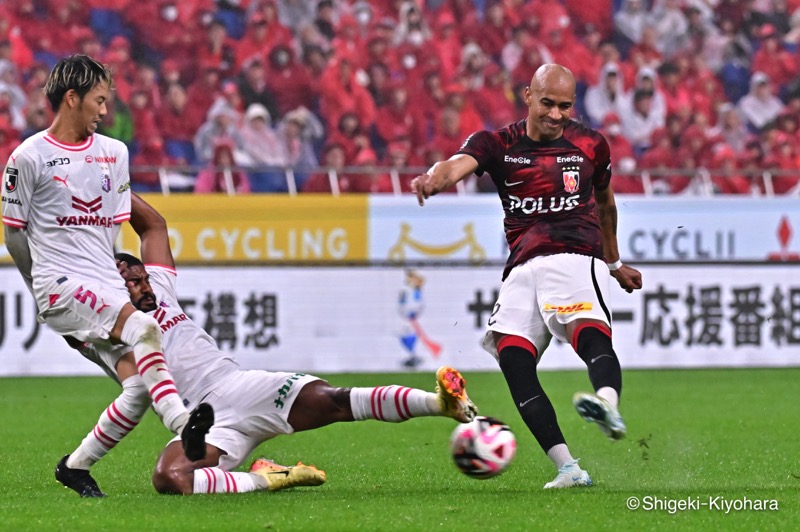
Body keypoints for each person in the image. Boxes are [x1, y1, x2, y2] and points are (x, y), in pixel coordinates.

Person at [59, 193, 478, 496]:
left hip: (238, 385)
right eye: (130, 282)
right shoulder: (104, 330)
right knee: (170, 478)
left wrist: (111, 184)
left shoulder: (162, 289)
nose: (142, 285)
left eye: (142, 276)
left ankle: (439, 403)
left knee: (333, 400)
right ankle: (269, 478)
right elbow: (62, 315)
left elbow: (154, 225)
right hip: (202, 423)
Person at [410, 64, 643, 490]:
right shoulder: (498, 143)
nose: (557, 114)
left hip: (575, 255)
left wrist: (612, 264)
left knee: (584, 330)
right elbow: (455, 165)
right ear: (528, 96)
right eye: (548, 103)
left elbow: (607, 205)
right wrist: (433, 179)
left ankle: (607, 403)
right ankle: (568, 468)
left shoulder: (591, 145)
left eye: (566, 106)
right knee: (513, 359)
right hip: (521, 266)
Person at [0, 55, 213, 498]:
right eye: (98, 100)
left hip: (103, 286)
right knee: (143, 326)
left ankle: (75, 466)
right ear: (72, 98)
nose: (104, 111)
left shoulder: (115, 153)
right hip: (58, 284)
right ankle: (182, 423)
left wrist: (111, 288)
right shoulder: (28, 158)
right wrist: (38, 287)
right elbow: (14, 236)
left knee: (137, 387)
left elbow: (112, 228)